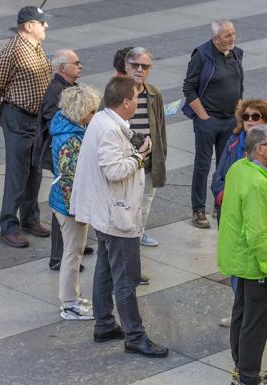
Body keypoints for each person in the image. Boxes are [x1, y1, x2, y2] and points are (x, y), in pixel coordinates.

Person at [70, 76, 168, 357]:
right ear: (126, 102)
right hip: (116, 215)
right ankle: (135, 336)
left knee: (105, 269)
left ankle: (104, 324)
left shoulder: (102, 120)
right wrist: (141, 156)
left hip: (106, 212)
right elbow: (114, 171)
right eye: (135, 98)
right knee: (126, 279)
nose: (137, 102)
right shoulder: (110, 129)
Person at [218, 125, 267, 385]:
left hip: (239, 260)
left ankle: (241, 369)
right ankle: (247, 377)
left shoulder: (239, 169)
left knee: (241, 316)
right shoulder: (258, 182)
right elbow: (257, 234)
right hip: (256, 263)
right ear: (260, 149)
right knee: (255, 326)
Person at [0, 5, 52, 248]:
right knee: (17, 174)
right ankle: (8, 227)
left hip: (36, 118)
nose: (46, 25)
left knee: (35, 171)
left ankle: (30, 219)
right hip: (18, 117)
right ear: (29, 26)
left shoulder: (35, 46)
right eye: (41, 22)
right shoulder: (13, 50)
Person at [35, 49, 93, 271]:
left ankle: (75, 243)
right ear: (62, 68)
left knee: (72, 201)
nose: (80, 66)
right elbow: (53, 122)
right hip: (60, 155)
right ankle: (59, 256)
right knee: (63, 205)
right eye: (76, 63)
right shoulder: (56, 91)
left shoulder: (69, 87)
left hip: (65, 153)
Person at [183, 19, 244, 229]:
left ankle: (221, 204)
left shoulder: (236, 53)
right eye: (228, 35)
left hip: (230, 120)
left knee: (226, 165)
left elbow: (239, 84)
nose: (232, 38)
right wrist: (203, 116)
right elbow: (188, 88)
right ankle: (198, 209)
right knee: (203, 165)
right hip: (209, 121)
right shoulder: (201, 55)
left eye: (233, 33)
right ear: (215, 38)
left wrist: (240, 112)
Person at [49, 85, 100, 320]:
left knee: (74, 251)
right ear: (81, 111)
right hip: (69, 206)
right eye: (91, 111)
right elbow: (71, 181)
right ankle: (69, 304)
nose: (93, 115)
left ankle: (72, 296)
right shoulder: (71, 139)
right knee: (72, 253)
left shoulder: (64, 126)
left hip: (61, 201)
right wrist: (80, 210)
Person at [123, 47, 168, 248]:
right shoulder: (115, 92)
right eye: (135, 65)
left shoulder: (154, 93)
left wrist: (161, 154)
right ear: (127, 67)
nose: (140, 70)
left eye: (145, 66)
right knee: (124, 200)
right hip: (124, 160)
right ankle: (123, 235)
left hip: (149, 160)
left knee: (146, 199)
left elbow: (160, 125)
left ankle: (139, 233)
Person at [212, 99, 267, 214]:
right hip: (230, 210)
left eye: (255, 116)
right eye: (246, 116)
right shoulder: (233, 141)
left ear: (265, 121)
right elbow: (218, 176)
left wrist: (243, 198)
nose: (250, 119)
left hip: (258, 210)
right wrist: (224, 196)